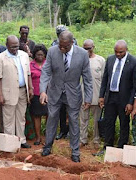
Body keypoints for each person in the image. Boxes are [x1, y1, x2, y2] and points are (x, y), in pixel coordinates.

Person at [39, 31, 93, 162]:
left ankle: (75, 151)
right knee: (52, 118)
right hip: (54, 92)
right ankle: (47, 146)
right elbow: (46, 72)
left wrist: (88, 97)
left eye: (65, 46)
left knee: (74, 122)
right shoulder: (52, 51)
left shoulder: (82, 54)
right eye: (60, 45)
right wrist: (43, 91)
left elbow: (87, 78)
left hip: (73, 94)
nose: (62, 48)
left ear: (72, 43)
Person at [95, 40, 136, 156]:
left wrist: (131, 102)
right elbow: (105, 79)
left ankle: (121, 149)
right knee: (108, 122)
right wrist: (101, 96)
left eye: (121, 52)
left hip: (124, 99)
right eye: (116, 52)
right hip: (110, 96)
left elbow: (135, 85)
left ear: (126, 50)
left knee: (124, 124)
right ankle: (107, 147)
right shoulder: (110, 59)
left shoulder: (134, 62)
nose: (118, 54)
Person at [0, 35, 34, 148]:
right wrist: (0, 95)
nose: (15, 49)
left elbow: (28, 73)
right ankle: (10, 143)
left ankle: (21, 140)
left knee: (21, 117)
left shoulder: (24, 55)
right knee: (8, 119)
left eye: (16, 47)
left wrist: (30, 88)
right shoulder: (0, 58)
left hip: (22, 91)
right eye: (12, 47)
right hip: (8, 93)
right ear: (7, 45)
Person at [51, 25, 77, 140]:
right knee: (61, 109)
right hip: (59, 82)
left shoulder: (74, 43)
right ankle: (62, 130)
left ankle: (71, 132)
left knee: (71, 110)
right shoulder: (54, 44)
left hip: (71, 82)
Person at [80, 39, 105, 149]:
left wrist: (102, 96)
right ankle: (82, 139)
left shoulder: (100, 60)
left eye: (89, 48)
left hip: (97, 94)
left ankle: (96, 140)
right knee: (83, 119)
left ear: (93, 47)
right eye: (84, 48)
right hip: (83, 95)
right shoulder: (79, 60)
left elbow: (104, 79)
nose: (86, 51)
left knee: (96, 120)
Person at [30, 44, 48, 145]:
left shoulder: (48, 64)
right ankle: (38, 137)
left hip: (47, 93)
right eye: (38, 54)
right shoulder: (30, 65)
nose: (40, 56)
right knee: (36, 116)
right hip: (35, 93)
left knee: (48, 115)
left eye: (42, 54)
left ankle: (47, 137)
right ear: (34, 55)